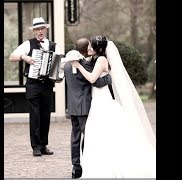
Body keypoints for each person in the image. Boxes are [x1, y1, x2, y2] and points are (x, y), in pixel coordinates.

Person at [71, 35, 156, 178]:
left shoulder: (102, 60)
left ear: (99, 49)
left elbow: (92, 78)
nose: (89, 48)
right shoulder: (94, 59)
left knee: (105, 134)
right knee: (98, 135)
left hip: (103, 101)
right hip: (97, 100)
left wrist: (78, 66)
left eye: (91, 46)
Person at [9, 17, 60, 157]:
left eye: (42, 28)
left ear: (46, 29)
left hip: (48, 85)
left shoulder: (54, 46)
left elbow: (59, 65)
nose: (40, 31)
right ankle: (36, 146)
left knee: (45, 115)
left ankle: (44, 145)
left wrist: (58, 76)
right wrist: (24, 57)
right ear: (34, 31)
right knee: (35, 115)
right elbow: (11, 56)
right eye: (37, 29)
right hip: (33, 84)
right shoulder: (28, 44)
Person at [62, 38, 113, 179]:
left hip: (72, 106)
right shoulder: (87, 66)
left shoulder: (66, 65)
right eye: (89, 47)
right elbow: (95, 82)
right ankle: (86, 165)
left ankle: (75, 167)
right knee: (88, 136)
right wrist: (109, 78)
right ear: (86, 50)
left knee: (75, 137)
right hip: (85, 106)